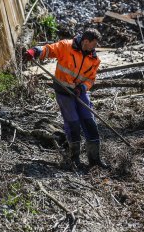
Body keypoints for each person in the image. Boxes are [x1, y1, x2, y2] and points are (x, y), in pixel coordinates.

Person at [24, 28, 108, 169]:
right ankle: (74, 159)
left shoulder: (94, 59)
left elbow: (90, 80)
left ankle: (94, 160)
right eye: (94, 44)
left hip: (79, 93)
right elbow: (48, 50)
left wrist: (82, 88)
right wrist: (35, 51)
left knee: (90, 123)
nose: (95, 47)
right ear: (86, 41)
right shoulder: (65, 46)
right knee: (73, 124)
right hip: (63, 91)